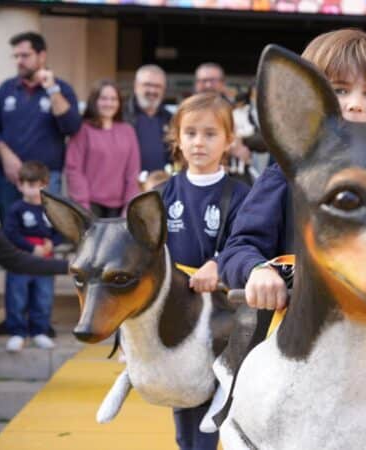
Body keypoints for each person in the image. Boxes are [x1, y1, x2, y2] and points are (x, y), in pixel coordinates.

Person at [219, 28, 366, 311]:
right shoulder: (286, 174)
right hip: (298, 331)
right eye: (339, 90)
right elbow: (238, 248)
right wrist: (257, 271)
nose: (355, 104)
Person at [162, 92, 250, 449]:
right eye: (191, 133)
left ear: (229, 140)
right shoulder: (161, 194)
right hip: (179, 315)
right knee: (184, 406)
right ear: (177, 138)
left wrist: (219, 264)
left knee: (214, 411)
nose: (199, 142)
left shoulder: (242, 194)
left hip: (224, 317)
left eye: (210, 133)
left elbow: (248, 241)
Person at [0, 31, 82, 223]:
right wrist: (4, 153)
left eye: (25, 55)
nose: (19, 61)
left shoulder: (62, 89)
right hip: (10, 178)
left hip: (47, 180)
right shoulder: (6, 88)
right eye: (16, 56)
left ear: (42, 55)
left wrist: (52, 89)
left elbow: (71, 127)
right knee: (11, 236)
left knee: (48, 232)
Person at [3, 161, 63, 352]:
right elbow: (10, 233)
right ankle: (18, 333)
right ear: (20, 185)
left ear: (45, 184)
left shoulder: (51, 209)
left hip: (46, 259)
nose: (33, 190)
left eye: (38, 185)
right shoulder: (16, 209)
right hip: (21, 259)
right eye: (28, 185)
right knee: (17, 297)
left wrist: (52, 242)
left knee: (43, 296)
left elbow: (62, 230)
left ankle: (40, 332)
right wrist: (30, 248)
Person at [65, 80, 141, 217]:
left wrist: (130, 206)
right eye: (104, 98)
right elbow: (74, 169)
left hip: (120, 208)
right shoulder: (83, 130)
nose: (109, 103)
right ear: (95, 101)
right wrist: (83, 206)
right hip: (90, 205)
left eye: (113, 99)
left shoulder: (127, 131)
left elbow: (132, 171)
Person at [123, 64, 173, 174]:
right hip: (129, 186)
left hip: (162, 185)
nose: (152, 90)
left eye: (158, 86)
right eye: (147, 84)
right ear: (136, 86)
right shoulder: (121, 116)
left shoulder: (171, 119)